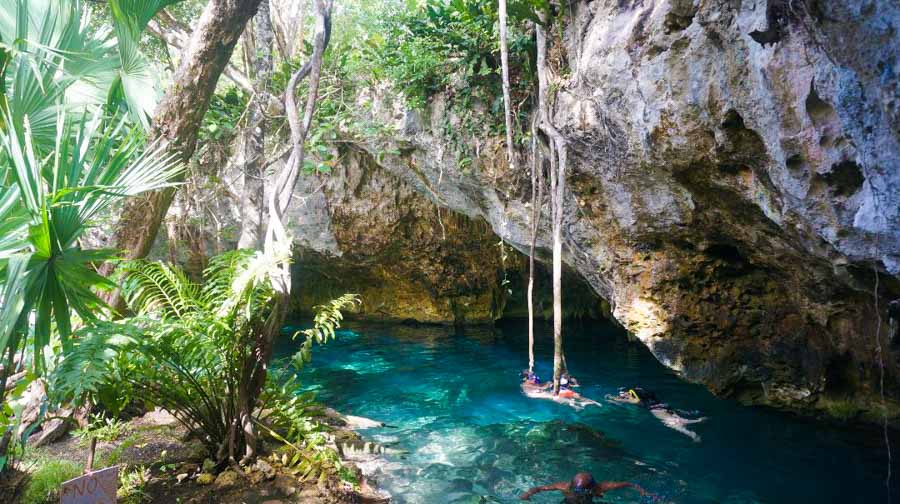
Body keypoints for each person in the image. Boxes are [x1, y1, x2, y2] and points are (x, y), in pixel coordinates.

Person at [608, 388, 706, 442]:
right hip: (664, 406)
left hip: (657, 411)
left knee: (672, 423)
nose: (625, 395)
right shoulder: (648, 396)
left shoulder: (635, 400)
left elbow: (617, 399)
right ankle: (697, 420)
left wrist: (611, 397)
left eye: (627, 393)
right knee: (676, 416)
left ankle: (693, 435)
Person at [519, 472, 650, 503]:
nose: (578, 492)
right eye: (577, 489)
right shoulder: (564, 486)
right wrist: (527, 494)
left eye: (582, 490)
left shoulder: (600, 487)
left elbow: (629, 483)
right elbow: (539, 488)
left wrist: (642, 491)